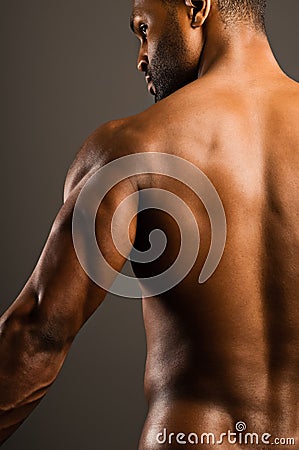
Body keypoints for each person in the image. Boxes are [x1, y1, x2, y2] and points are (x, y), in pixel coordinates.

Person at [0, 0, 298, 448]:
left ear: (196, 7)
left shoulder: (134, 147)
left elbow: (38, 332)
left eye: (144, 28)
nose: (141, 56)